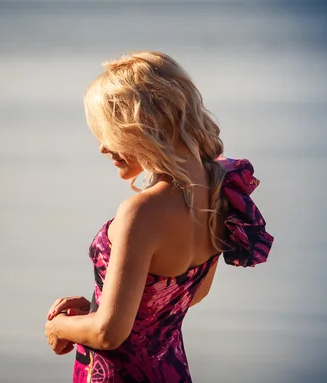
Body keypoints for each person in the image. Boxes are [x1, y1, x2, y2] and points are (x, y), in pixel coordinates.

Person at [44, 51, 275, 383]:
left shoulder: (142, 213)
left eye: (108, 132)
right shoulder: (219, 191)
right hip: (170, 371)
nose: (102, 148)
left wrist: (60, 326)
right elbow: (190, 295)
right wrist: (97, 311)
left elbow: (110, 333)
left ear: (141, 126)